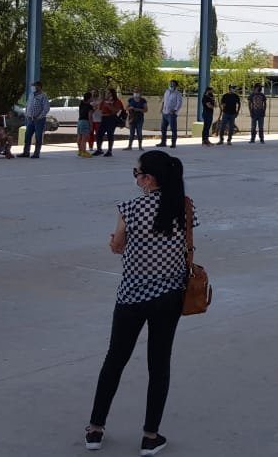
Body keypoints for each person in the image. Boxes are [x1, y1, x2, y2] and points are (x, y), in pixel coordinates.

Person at [85, 150, 193, 455]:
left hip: (132, 296)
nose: (135, 179)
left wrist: (116, 242)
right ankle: (150, 436)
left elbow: (118, 247)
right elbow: (183, 244)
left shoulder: (130, 209)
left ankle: (95, 429)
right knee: (159, 364)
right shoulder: (184, 208)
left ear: (148, 179)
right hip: (170, 296)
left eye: (137, 174)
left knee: (115, 360)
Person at [19, 80, 50, 158]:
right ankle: (26, 152)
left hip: (39, 120)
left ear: (39, 87)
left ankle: (36, 153)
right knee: (27, 135)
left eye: (35, 86)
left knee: (38, 136)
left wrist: (39, 116)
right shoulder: (31, 94)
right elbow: (28, 105)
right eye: (33, 86)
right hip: (30, 119)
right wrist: (27, 114)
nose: (33, 87)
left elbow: (46, 108)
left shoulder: (43, 96)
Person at [98, 89, 126, 156]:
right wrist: (102, 101)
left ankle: (109, 151)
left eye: (108, 93)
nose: (107, 94)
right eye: (106, 93)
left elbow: (115, 111)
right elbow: (100, 108)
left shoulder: (117, 101)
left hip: (111, 118)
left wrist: (108, 105)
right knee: (99, 134)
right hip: (103, 118)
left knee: (110, 134)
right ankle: (99, 149)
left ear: (112, 94)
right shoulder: (104, 101)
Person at [157, 81, 184, 148]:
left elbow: (179, 103)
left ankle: (173, 143)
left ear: (176, 86)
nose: (171, 85)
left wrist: (175, 110)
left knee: (173, 129)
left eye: (173, 84)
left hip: (171, 114)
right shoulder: (167, 91)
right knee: (163, 128)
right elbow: (164, 101)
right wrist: (161, 108)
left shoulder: (178, 94)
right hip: (165, 112)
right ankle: (163, 142)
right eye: (170, 84)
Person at [78, 91, 95, 158]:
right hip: (85, 122)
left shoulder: (81, 104)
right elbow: (90, 116)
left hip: (79, 121)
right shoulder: (90, 106)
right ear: (89, 98)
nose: (93, 98)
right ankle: (84, 152)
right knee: (84, 138)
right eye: (92, 97)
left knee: (79, 137)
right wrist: (91, 126)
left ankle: (80, 151)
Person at [90, 89, 105, 154]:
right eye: (92, 92)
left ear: (97, 93)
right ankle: (91, 146)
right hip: (91, 119)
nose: (94, 94)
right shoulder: (90, 101)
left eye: (95, 92)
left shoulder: (100, 100)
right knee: (90, 133)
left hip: (99, 120)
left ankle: (99, 147)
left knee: (99, 134)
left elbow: (101, 108)